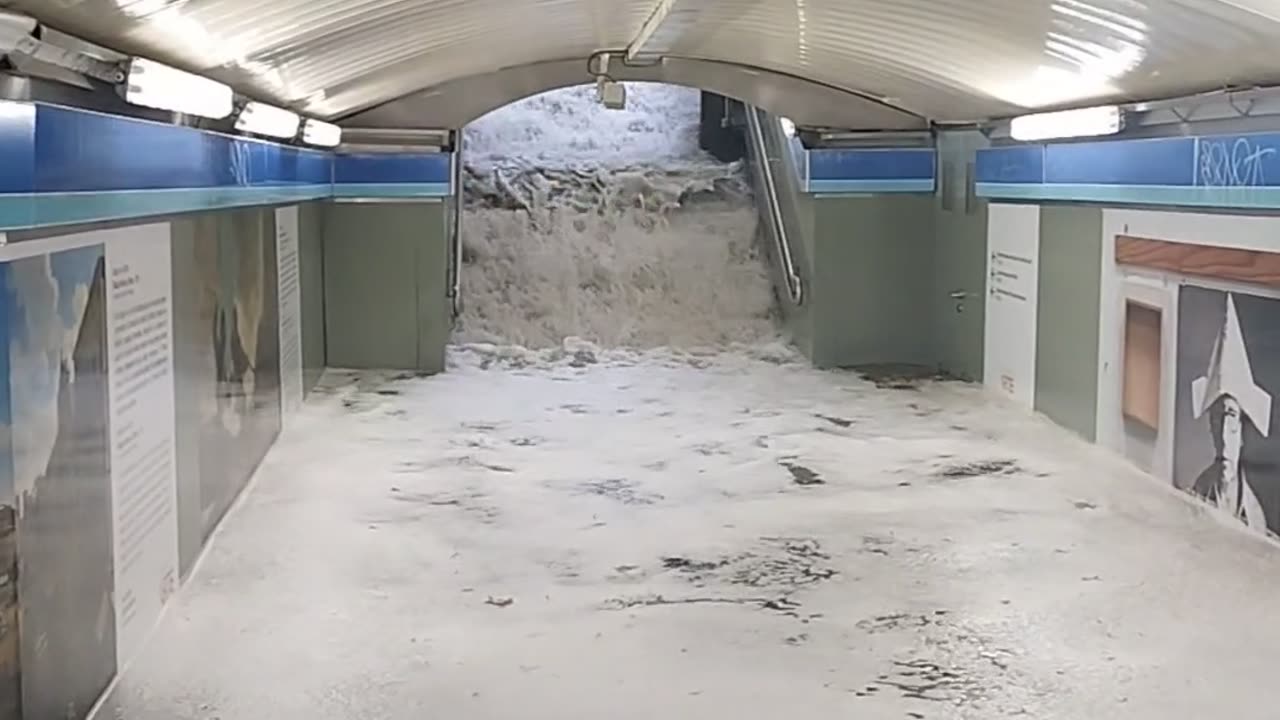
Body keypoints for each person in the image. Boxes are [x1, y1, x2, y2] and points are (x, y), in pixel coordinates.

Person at [1189, 293, 1279, 533]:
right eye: (1215, 418)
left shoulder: (1255, 510)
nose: (1221, 432)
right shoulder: (1199, 490)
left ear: (1241, 428)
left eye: (1229, 416)